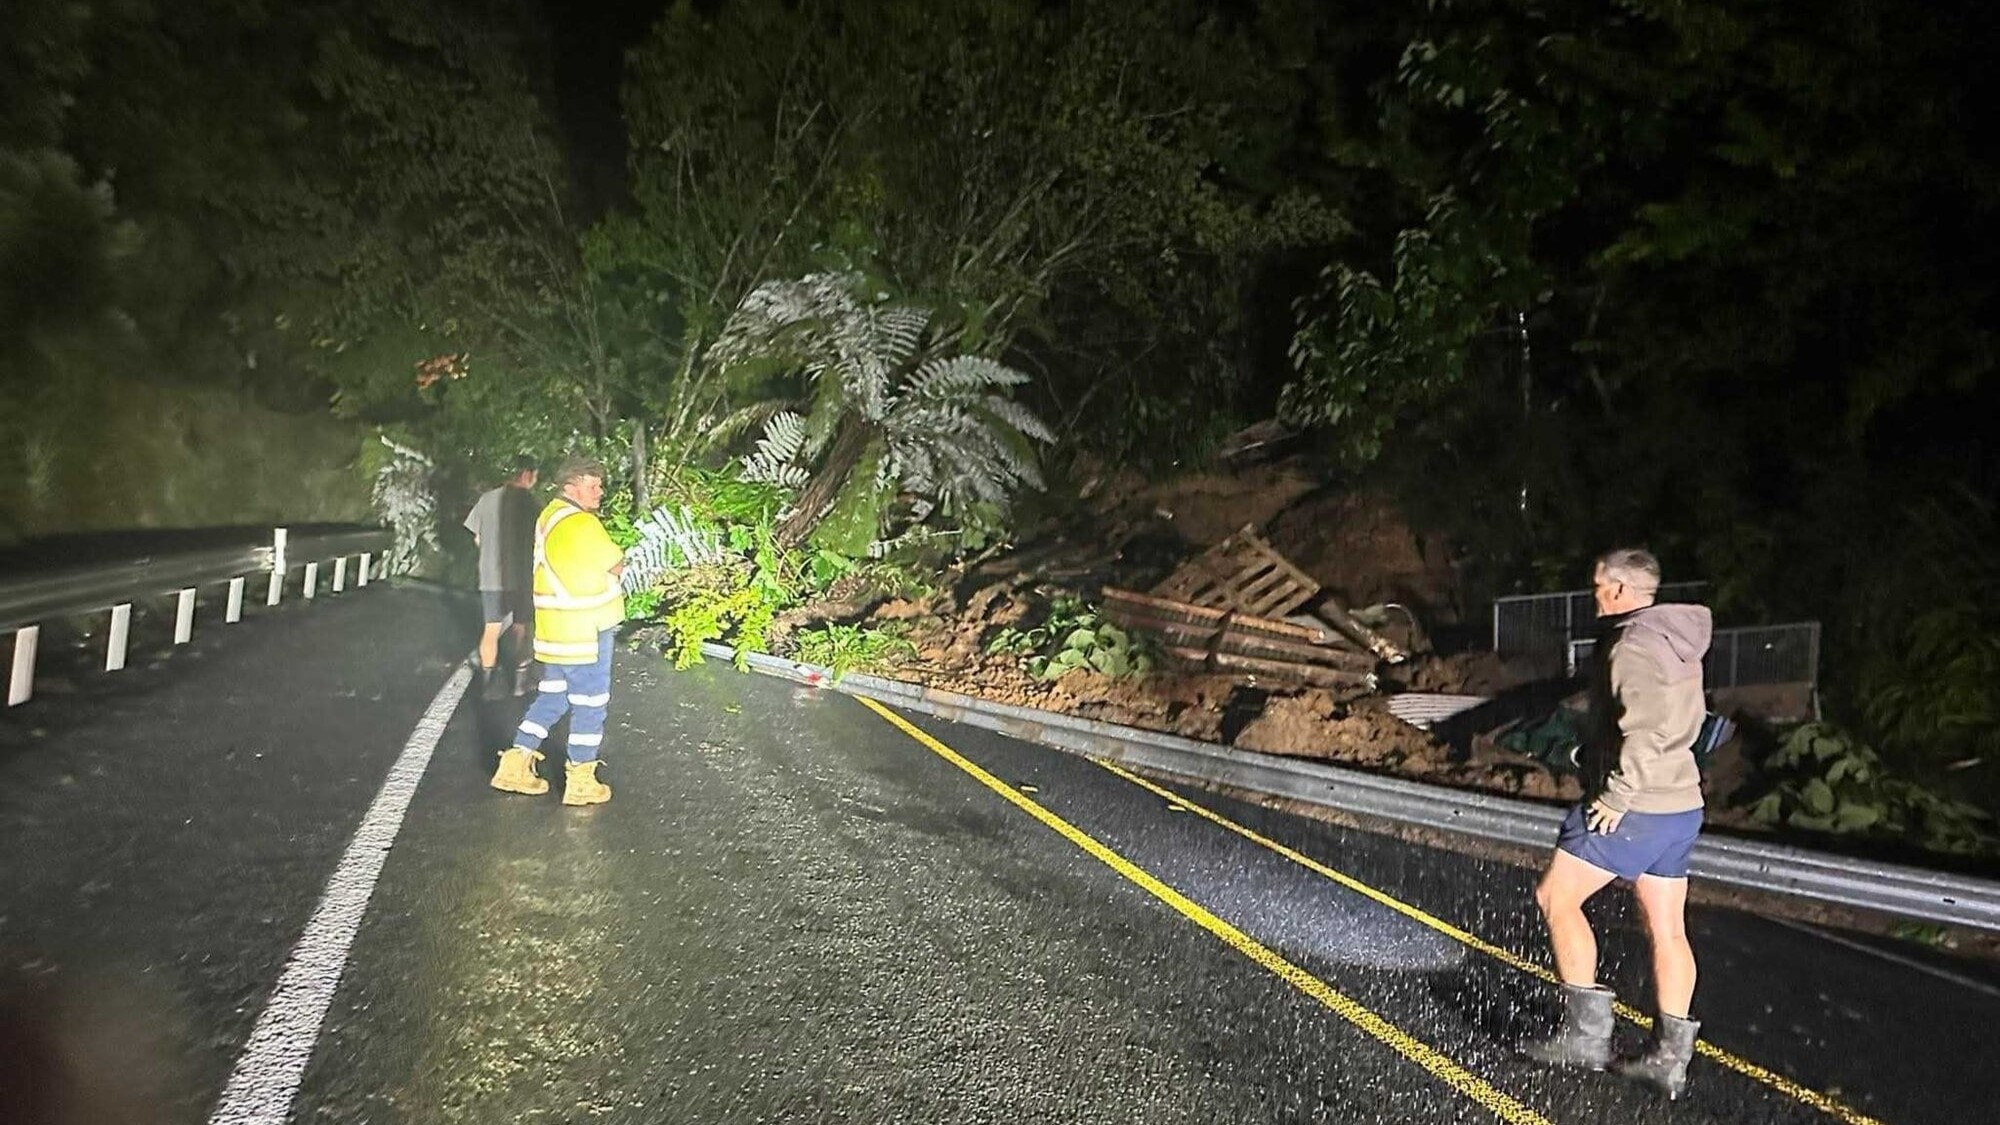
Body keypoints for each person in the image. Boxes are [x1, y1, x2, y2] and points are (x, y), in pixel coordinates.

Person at [1522, 547, 1712, 1099]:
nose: (1595, 596)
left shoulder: (1631, 646)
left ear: (1623, 591)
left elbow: (1646, 729)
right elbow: (1682, 721)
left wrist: (1618, 793)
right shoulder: (1676, 641)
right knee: (1668, 929)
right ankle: (1669, 1061)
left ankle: (1586, 1038)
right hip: (1679, 803)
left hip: (1638, 805)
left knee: (1556, 897)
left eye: (1601, 587)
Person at [490, 456, 624, 806]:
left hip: (555, 630)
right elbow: (615, 563)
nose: (600, 491)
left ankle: (515, 764)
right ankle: (581, 779)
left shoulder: (550, 515)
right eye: (592, 484)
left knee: (553, 697)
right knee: (591, 704)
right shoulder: (582, 524)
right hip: (585, 631)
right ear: (571, 485)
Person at [462, 455, 540, 699]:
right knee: (521, 628)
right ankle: (519, 681)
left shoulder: (487, 499)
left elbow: (477, 538)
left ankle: (488, 681)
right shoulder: (532, 503)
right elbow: (540, 540)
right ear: (527, 474)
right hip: (521, 577)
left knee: (491, 629)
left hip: (491, 577)